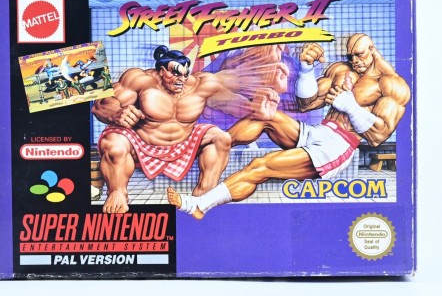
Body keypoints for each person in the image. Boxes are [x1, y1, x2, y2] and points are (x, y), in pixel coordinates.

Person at [168, 34, 411, 219]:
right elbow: (306, 104)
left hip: (337, 146)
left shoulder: (392, 84)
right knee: (265, 116)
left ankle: (199, 205)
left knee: (260, 166)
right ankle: (205, 149)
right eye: (350, 56)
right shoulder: (342, 70)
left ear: (373, 50)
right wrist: (306, 70)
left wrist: (351, 107)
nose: (355, 61)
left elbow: (378, 136)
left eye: (359, 55)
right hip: (321, 130)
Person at [92, 45, 286, 214]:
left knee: (221, 137)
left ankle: (204, 195)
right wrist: (117, 113)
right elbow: (101, 104)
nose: (181, 80)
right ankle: (117, 192)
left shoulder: (201, 85)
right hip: (142, 144)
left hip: (184, 145)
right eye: (175, 74)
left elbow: (230, 103)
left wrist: (254, 107)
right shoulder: (139, 80)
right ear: (161, 71)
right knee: (113, 142)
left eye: (185, 74)